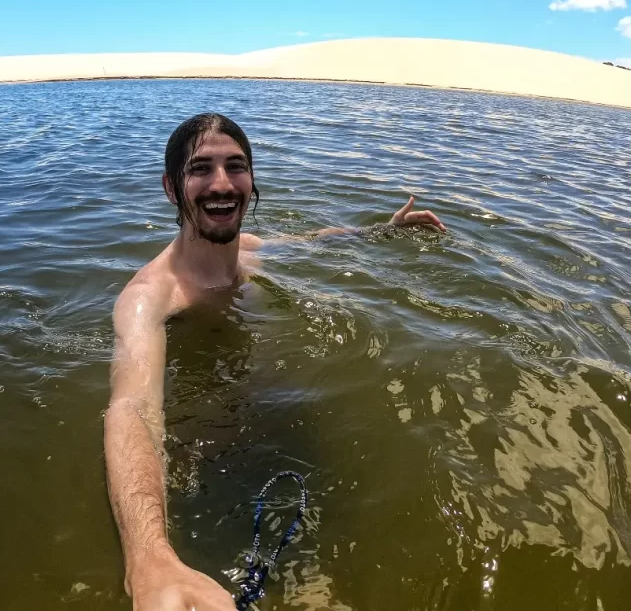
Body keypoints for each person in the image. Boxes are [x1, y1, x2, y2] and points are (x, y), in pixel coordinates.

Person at [103, 113, 445, 611]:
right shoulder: (149, 299)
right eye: (201, 168)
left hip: (289, 442)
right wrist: (148, 557)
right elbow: (131, 406)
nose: (222, 183)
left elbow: (314, 240)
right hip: (209, 474)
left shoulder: (250, 249)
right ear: (172, 189)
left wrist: (383, 231)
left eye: (235, 166)